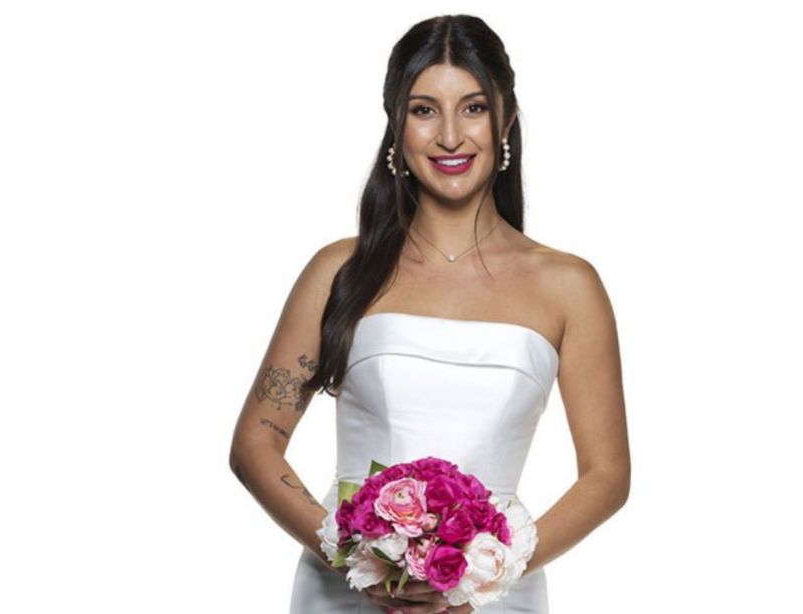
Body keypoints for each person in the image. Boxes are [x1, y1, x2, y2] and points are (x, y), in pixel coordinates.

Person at [228, 14, 630, 613]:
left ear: (506, 121)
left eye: (473, 108)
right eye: (424, 110)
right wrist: (354, 557)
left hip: (495, 596)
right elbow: (256, 443)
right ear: (396, 124)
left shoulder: (569, 286)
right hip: (348, 593)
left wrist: (486, 577)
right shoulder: (339, 271)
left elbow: (606, 475)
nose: (449, 136)